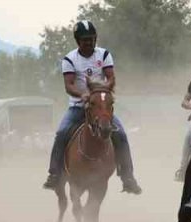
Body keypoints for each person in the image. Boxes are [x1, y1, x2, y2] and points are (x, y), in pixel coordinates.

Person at [42, 20, 142, 194]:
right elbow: (69, 85)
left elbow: (111, 77)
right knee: (61, 133)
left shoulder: (104, 55)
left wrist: (103, 88)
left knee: (121, 134)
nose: (89, 42)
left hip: (101, 106)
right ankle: (54, 174)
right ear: (77, 41)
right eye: (85, 40)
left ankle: (127, 177)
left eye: (92, 39)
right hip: (78, 107)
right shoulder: (69, 59)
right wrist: (83, 95)